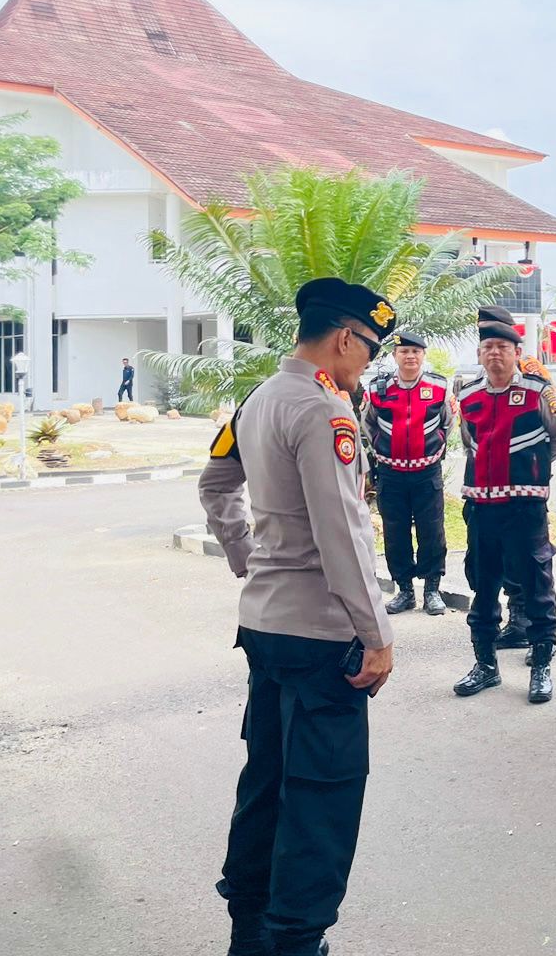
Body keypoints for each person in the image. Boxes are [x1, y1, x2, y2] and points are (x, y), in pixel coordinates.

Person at [197, 277, 397, 956]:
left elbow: (215, 483)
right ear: (344, 337)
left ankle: (249, 936)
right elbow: (343, 532)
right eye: (368, 348)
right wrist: (377, 635)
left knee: (267, 785)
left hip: (264, 627)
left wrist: (250, 562)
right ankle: (292, 943)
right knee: (320, 801)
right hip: (320, 639)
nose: (368, 362)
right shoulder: (323, 411)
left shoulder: (258, 398)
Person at [452, 314, 556, 703]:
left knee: (536, 585)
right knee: (482, 586)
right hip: (482, 509)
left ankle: (541, 666)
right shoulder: (469, 396)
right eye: (488, 348)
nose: (495, 354)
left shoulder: (539, 392)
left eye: (503, 348)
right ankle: (485, 665)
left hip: (525, 508)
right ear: (480, 354)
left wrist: (531, 471)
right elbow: (469, 441)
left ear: (518, 353)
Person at [477, 305, 552, 654]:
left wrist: (530, 465)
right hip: (488, 493)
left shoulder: (531, 371)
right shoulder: (477, 384)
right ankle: (515, 618)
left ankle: (526, 623)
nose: (490, 345)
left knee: (530, 565)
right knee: (498, 565)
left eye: (494, 333)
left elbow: (553, 435)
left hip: (524, 490)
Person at [363, 330, 453, 616]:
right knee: (395, 531)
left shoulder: (439, 387)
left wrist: (433, 450)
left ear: (423, 355)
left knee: (432, 530)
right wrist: (381, 452)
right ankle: (404, 590)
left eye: (416, 351)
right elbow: (368, 425)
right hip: (391, 473)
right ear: (395, 356)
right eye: (404, 352)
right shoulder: (378, 389)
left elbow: (449, 424)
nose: (410, 356)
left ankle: (432, 590)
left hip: (427, 472)